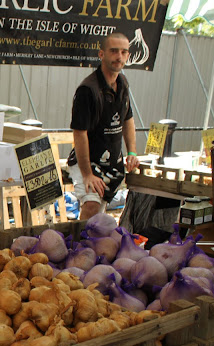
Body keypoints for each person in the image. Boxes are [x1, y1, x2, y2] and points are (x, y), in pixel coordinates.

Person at [66, 32, 140, 220]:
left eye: (124, 52)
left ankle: (94, 246)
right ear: (101, 54)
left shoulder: (122, 84)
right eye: (114, 51)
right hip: (88, 162)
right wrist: (87, 174)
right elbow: (79, 134)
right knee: (91, 206)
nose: (119, 57)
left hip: (112, 163)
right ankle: (79, 247)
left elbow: (127, 119)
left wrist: (132, 152)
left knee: (99, 214)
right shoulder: (88, 90)